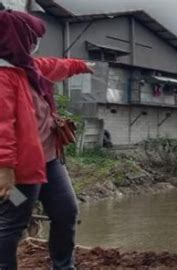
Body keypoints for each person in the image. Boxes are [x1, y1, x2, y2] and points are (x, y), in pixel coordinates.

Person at [0, 9, 92, 270]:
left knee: (66, 212)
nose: (36, 43)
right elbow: (1, 126)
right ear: (19, 38)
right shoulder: (3, 77)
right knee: (12, 221)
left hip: (49, 161)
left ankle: (64, 266)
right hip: (18, 171)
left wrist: (82, 66)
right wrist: (4, 168)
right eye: (32, 37)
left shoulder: (28, 68)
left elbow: (56, 65)